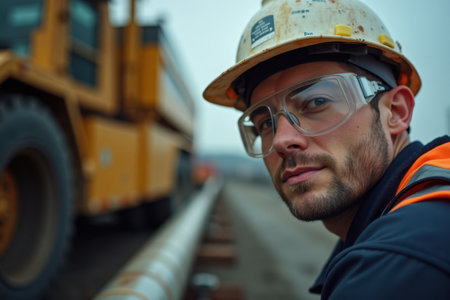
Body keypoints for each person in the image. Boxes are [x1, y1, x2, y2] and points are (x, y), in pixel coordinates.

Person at [203, 0, 450, 298]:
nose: (282, 140)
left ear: (395, 112)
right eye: (264, 124)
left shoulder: (400, 262)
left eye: (316, 102)